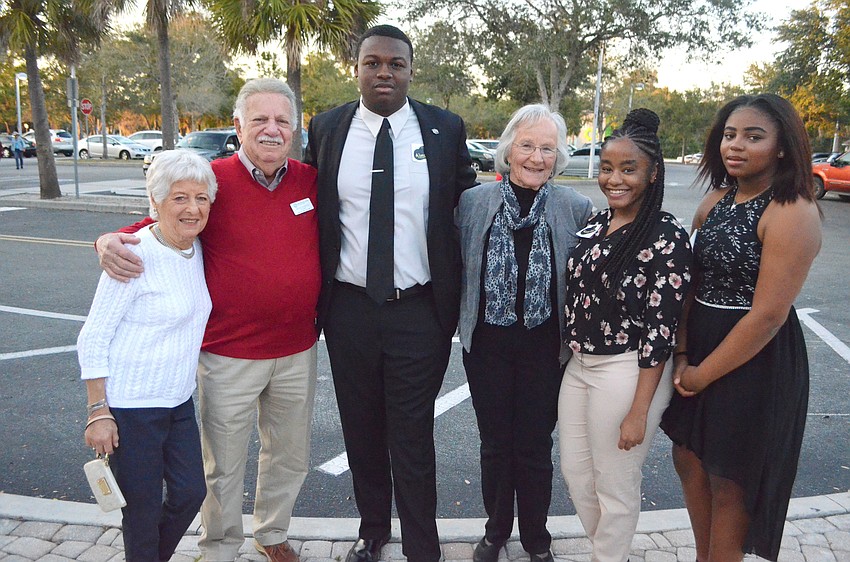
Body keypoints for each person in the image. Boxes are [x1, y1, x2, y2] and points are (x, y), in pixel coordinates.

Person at [95, 78, 320, 562]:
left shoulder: (308, 180)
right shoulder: (212, 179)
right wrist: (110, 239)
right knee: (223, 464)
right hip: (228, 352)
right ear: (238, 126)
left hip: (298, 348)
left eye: (282, 120)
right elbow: (163, 220)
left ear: (294, 128)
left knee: (289, 455)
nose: (271, 130)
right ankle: (219, 545)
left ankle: (272, 532)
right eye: (259, 119)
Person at [304, 24, 477, 562]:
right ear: (356, 69)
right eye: (373, 62)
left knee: (411, 432)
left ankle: (423, 546)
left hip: (419, 310)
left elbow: (468, 208)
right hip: (349, 307)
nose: (384, 72)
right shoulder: (327, 128)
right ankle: (373, 530)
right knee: (360, 427)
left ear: (410, 70)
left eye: (395, 64)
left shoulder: (443, 129)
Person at [660, 94, 821, 562]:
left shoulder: (792, 211)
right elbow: (690, 285)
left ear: (782, 148)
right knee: (688, 459)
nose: (737, 145)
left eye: (754, 136)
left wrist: (703, 374)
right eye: (730, 135)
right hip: (702, 343)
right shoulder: (714, 201)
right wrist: (685, 354)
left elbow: (768, 315)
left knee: (730, 479)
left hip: (754, 359)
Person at [457, 104, 592, 562]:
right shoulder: (474, 203)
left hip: (544, 348)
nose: (536, 157)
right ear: (509, 149)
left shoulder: (577, 208)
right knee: (495, 444)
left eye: (547, 148)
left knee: (535, 447)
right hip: (488, 347)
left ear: (559, 156)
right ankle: (495, 532)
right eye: (528, 145)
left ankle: (537, 538)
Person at [558, 109, 692, 562]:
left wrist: (639, 411)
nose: (614, 179)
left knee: (615, 484)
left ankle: (607, 557)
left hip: (627, 370)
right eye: (608, 168)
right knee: (577, 475)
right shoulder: (597, 223)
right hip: (579, 366)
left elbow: (661, 330)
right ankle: (608, 551)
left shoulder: (665, 235)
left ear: (653, 173)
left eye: (628, 169)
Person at [79, 149, 217, 561]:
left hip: (177, 402)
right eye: (179, 197)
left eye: (201, 197)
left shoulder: (197, 251)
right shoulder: (133, 255)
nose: (192, 208)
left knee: (191, 492)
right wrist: (98, 411)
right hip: (131, 409)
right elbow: (93, 335)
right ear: (154, 201)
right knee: (140, 513)